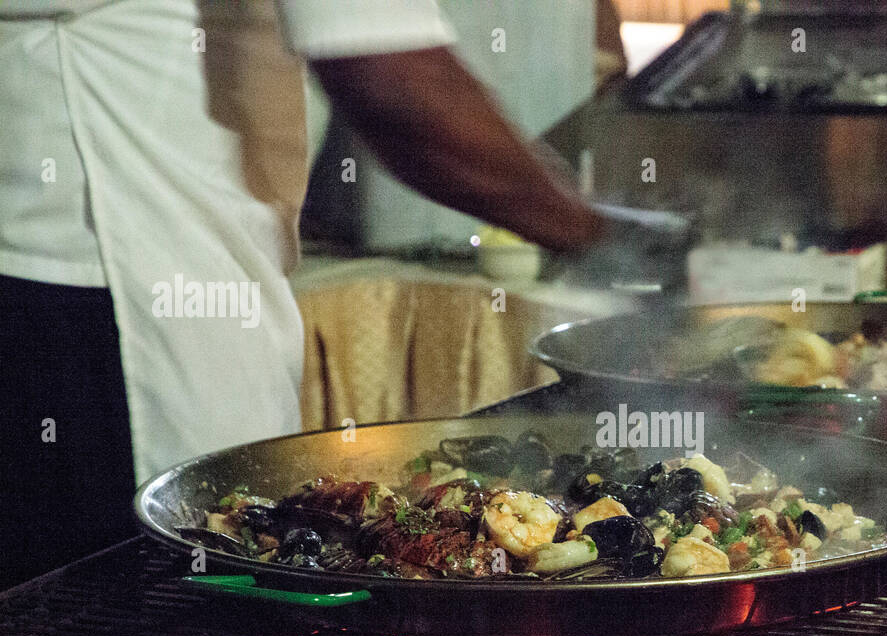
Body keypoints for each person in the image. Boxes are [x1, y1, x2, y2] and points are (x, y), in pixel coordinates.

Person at [0, 0, 613, 591]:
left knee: (240, 559)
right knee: (144, 617)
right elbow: (391, 74)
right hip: (95, 308)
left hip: (131, 281)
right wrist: (604, 237)